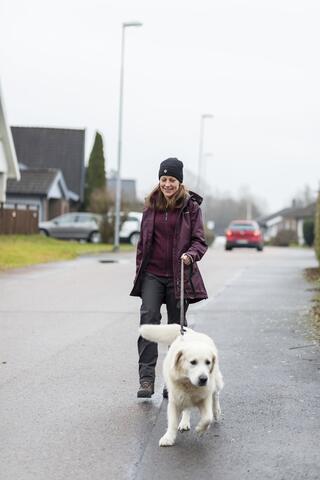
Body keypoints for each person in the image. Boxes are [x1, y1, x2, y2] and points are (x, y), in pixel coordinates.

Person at [130, 158, 208, 398]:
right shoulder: (150, 205)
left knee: (177, 330)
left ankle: (172, 381)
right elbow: (143, 244)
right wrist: (140, 275)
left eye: (172, 180)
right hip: (153, 274)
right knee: (149, 322)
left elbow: (199, 241)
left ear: (179, 181)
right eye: (163, 179)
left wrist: (190, 255)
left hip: (179, 275)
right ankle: (146, 379)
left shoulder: (190, 207)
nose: (167, 184)